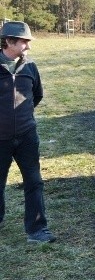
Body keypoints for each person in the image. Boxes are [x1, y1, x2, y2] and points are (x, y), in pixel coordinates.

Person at [0, 21, 54, 243]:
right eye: (24, 42)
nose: (28, 47)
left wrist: (22, 119)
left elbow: (37, 95)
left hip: (26, 136)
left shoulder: (30, 67)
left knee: (34, 181)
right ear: (9, 41)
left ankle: (37, 229)